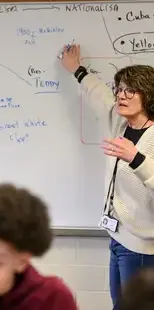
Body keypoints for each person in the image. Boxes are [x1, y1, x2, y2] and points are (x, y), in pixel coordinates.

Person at [61, 44, 154, 310]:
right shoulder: (120, 123)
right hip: (118, 238)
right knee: (118, 305)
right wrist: (77, 71)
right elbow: (99, 95)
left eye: (130, 90)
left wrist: (137, 159)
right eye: (119, 89)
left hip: (143, 247)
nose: (121, 96)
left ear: (148, 95)